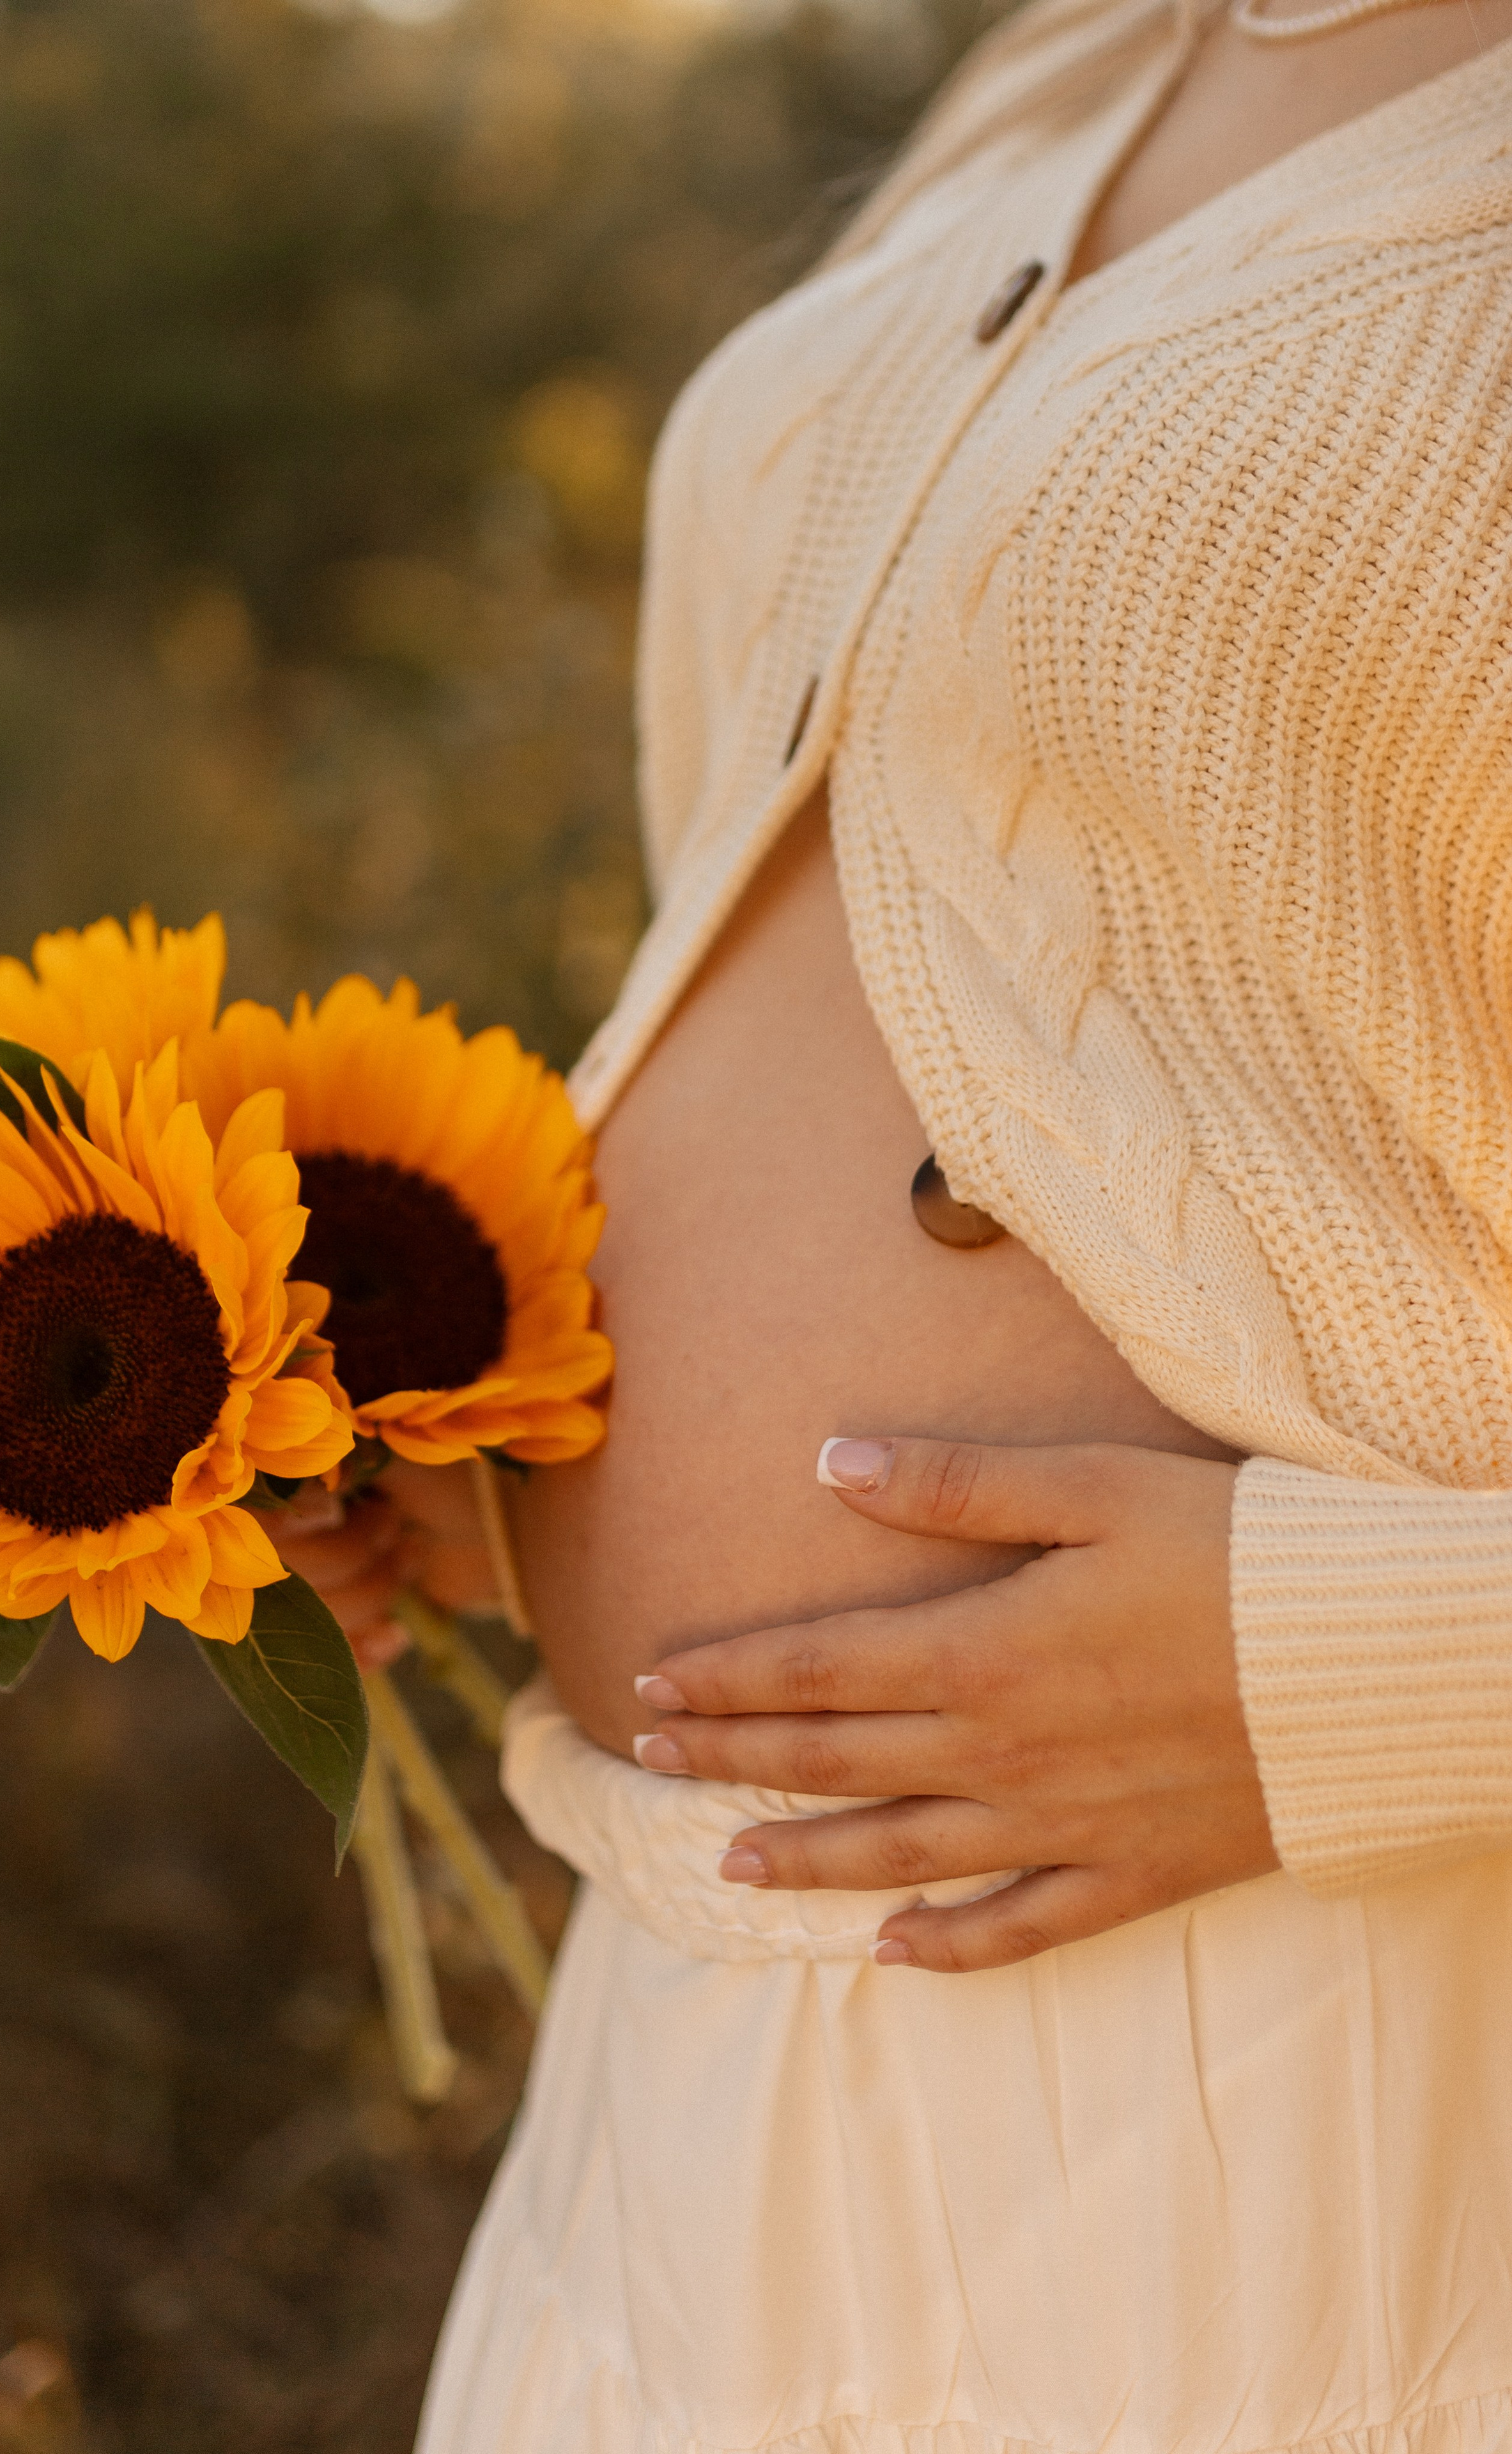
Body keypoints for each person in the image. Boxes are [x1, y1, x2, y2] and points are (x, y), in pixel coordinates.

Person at [272, 0, 1512, 2442]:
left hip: (1319, 2006)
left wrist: (1378, 1665)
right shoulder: (1081, 58)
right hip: (699, 2001)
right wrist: (505, 1418)